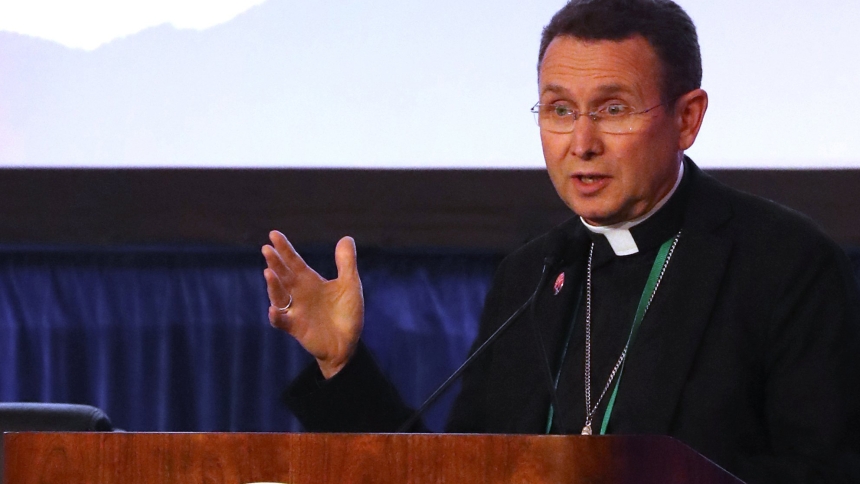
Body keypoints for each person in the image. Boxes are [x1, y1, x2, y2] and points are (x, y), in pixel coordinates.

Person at [261, 0, 860, 482]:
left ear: (687, 119)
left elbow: (826, 471)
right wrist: (340, 365)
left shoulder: (785, 267)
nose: (582, 142)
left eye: (613, 108)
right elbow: (460, 473)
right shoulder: (534, 275)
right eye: (559, 110)